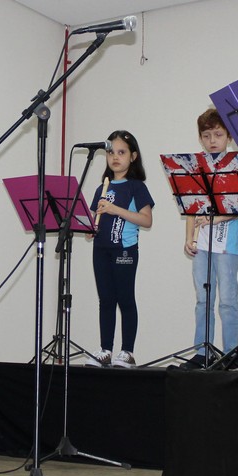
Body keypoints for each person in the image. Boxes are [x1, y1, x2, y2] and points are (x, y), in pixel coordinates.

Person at [184, 108, 238, 363]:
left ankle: (231, 353)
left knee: (228, 301)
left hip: (227, 244)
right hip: (202, 243)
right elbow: (190, 205)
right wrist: (188, 237)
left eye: (218, 134)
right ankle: (202, 352)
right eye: (206, 135)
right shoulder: (196, 165)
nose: (212, 140)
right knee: (203, 300)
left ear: (229, 137)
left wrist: (217, 218)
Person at [84, 130, 153, 368]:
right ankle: (105, 349)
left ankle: (127, 351)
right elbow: (94, 219)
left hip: (125, 249)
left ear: (133, 156)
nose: (115, 157)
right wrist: (90, 228)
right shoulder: (101, 188)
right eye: (111, 152)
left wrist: (116, 210)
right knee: (106, 300)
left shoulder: (136, 187)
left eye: (121, 152)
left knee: (125, 298)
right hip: (101, 248)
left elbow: (146, 220)